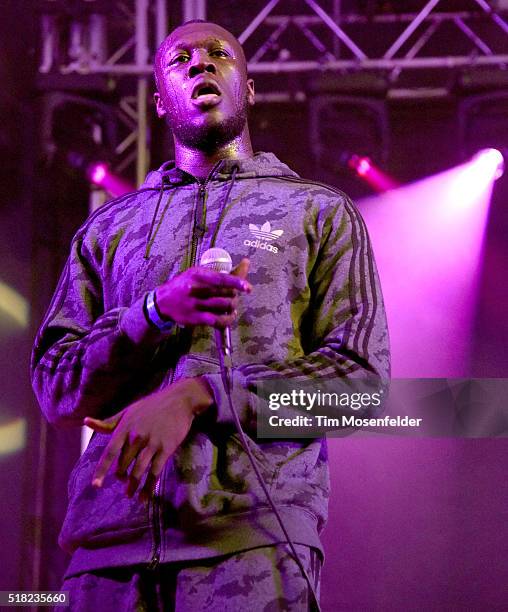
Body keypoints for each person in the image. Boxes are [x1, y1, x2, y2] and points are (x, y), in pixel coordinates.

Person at [31, 19, 390, 611]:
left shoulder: (318, 212)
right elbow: (53, 388)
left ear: (248, 88)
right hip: (104, 559)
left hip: (250, 549)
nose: (201, 64)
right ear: (158, 100)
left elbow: (361, 391)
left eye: (220, 54)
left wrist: (203, 394)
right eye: (181, 59)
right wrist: (150, 315)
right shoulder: (108, 230)